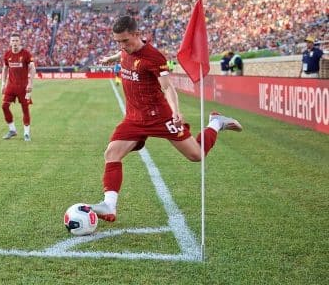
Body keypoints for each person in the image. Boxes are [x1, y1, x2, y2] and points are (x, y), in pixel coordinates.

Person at [92, 14, 243, 222]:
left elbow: (168, 87)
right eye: (118, 42)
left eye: (125, 41)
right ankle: (109, 205)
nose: (122, 46)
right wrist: (110, 58)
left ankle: (216, 123)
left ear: (137, 34)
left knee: (196, 156)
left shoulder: (154, 57)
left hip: (160, 117)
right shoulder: (125, 50)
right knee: (111, 153)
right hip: (134, 118)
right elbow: (121, 54)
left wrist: (175, 110)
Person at [1, 33, 36, 141]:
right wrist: (3, 83)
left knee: (25, 109)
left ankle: (26, 133)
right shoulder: (7, 54)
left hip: (23, 87)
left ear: (20, 41)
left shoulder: (25, 54)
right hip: (10, 86)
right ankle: (12, 130)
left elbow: (32, 68)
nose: (15, 43)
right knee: (4, 106)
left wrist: (30, 83)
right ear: (10, 42)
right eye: (13, 41)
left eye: (16, 40)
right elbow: (5, 68)